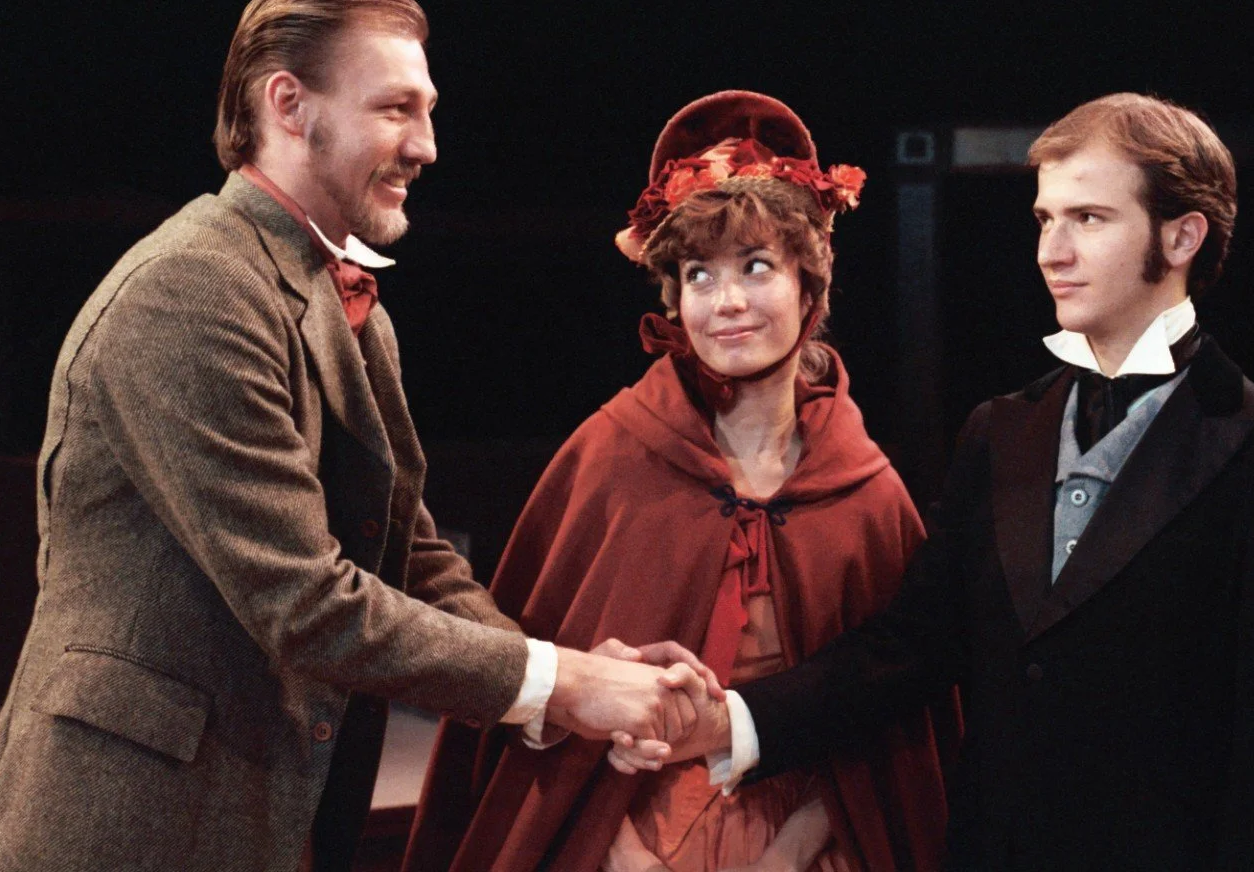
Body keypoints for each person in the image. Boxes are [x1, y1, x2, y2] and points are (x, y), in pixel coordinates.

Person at [0, 0, 704, 872]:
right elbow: (306, 602)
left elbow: (408, 557)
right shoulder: (190, 292)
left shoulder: (341, 302)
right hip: (133, 825)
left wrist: (550, 685)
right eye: (397, 109)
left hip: (256, 814)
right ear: (289, 104)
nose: (429, 146)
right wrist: (566, 683)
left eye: (429, 111)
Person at [623, 93, 1254, 871]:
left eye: (1089, 219)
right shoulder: (1002, 432)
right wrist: (732, 720)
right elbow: (909, 649)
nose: (1052, 252)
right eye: (1046, 220)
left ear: (1181, 237)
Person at [401, 91, 952, 872]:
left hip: (818, 839)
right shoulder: (614, 455)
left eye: (756, 267)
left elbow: (890, 714)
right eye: (699, 275)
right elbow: (539, 694)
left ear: (810, 287)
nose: (726, 303)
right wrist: (620, 849)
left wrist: (797, 846)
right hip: (616, 835)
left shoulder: (867, 491)